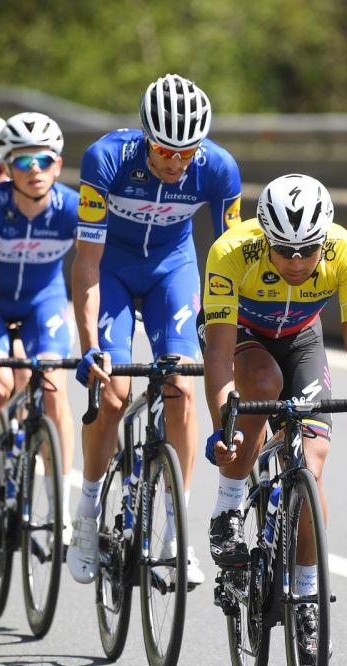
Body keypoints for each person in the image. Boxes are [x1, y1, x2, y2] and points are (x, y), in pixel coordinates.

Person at [202, 173, 347, 661]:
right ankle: (227, 509)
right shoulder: (231, 251)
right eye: (283, 250)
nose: (295, 261)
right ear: (264, 236)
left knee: (311, 464)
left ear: (323, 240)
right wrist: (222, 426)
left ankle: (307, 597)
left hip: (301, 337)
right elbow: (219, 356)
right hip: (240, 332)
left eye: (307, 250)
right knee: (262, 382)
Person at [69, 74, 242, 586]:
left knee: (181, 388)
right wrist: (89, 347)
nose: (176, 162)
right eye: (166, 150)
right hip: (113, 270)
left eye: (187, 152)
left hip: (173, 269)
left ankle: (175, 531)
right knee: (113, 393)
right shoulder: (106, 159)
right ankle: (86, 514)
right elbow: (86, 265)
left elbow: (236, 262)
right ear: (147, 137)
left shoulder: (218, 168)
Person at [0, 112, 78, 536]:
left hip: (45, 301)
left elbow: (97, 267)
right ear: (8, 167)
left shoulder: (73, 207)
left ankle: (59, 505)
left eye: (44, 160)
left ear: (58, 165)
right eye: (23, 161)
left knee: (53, 387)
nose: (35, 170)